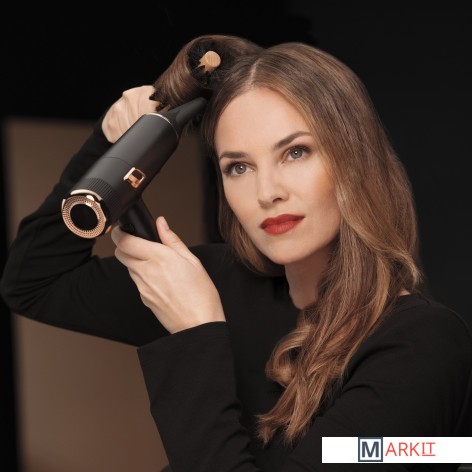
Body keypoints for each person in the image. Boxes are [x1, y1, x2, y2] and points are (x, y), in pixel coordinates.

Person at [1, 34, 471, 472]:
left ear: (355, 159)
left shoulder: (422, 347)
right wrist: (109, 146)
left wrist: (195, 332)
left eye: (296, 152)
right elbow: (34, 281)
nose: (267, 192)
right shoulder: (215, 283)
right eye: (239, 167)